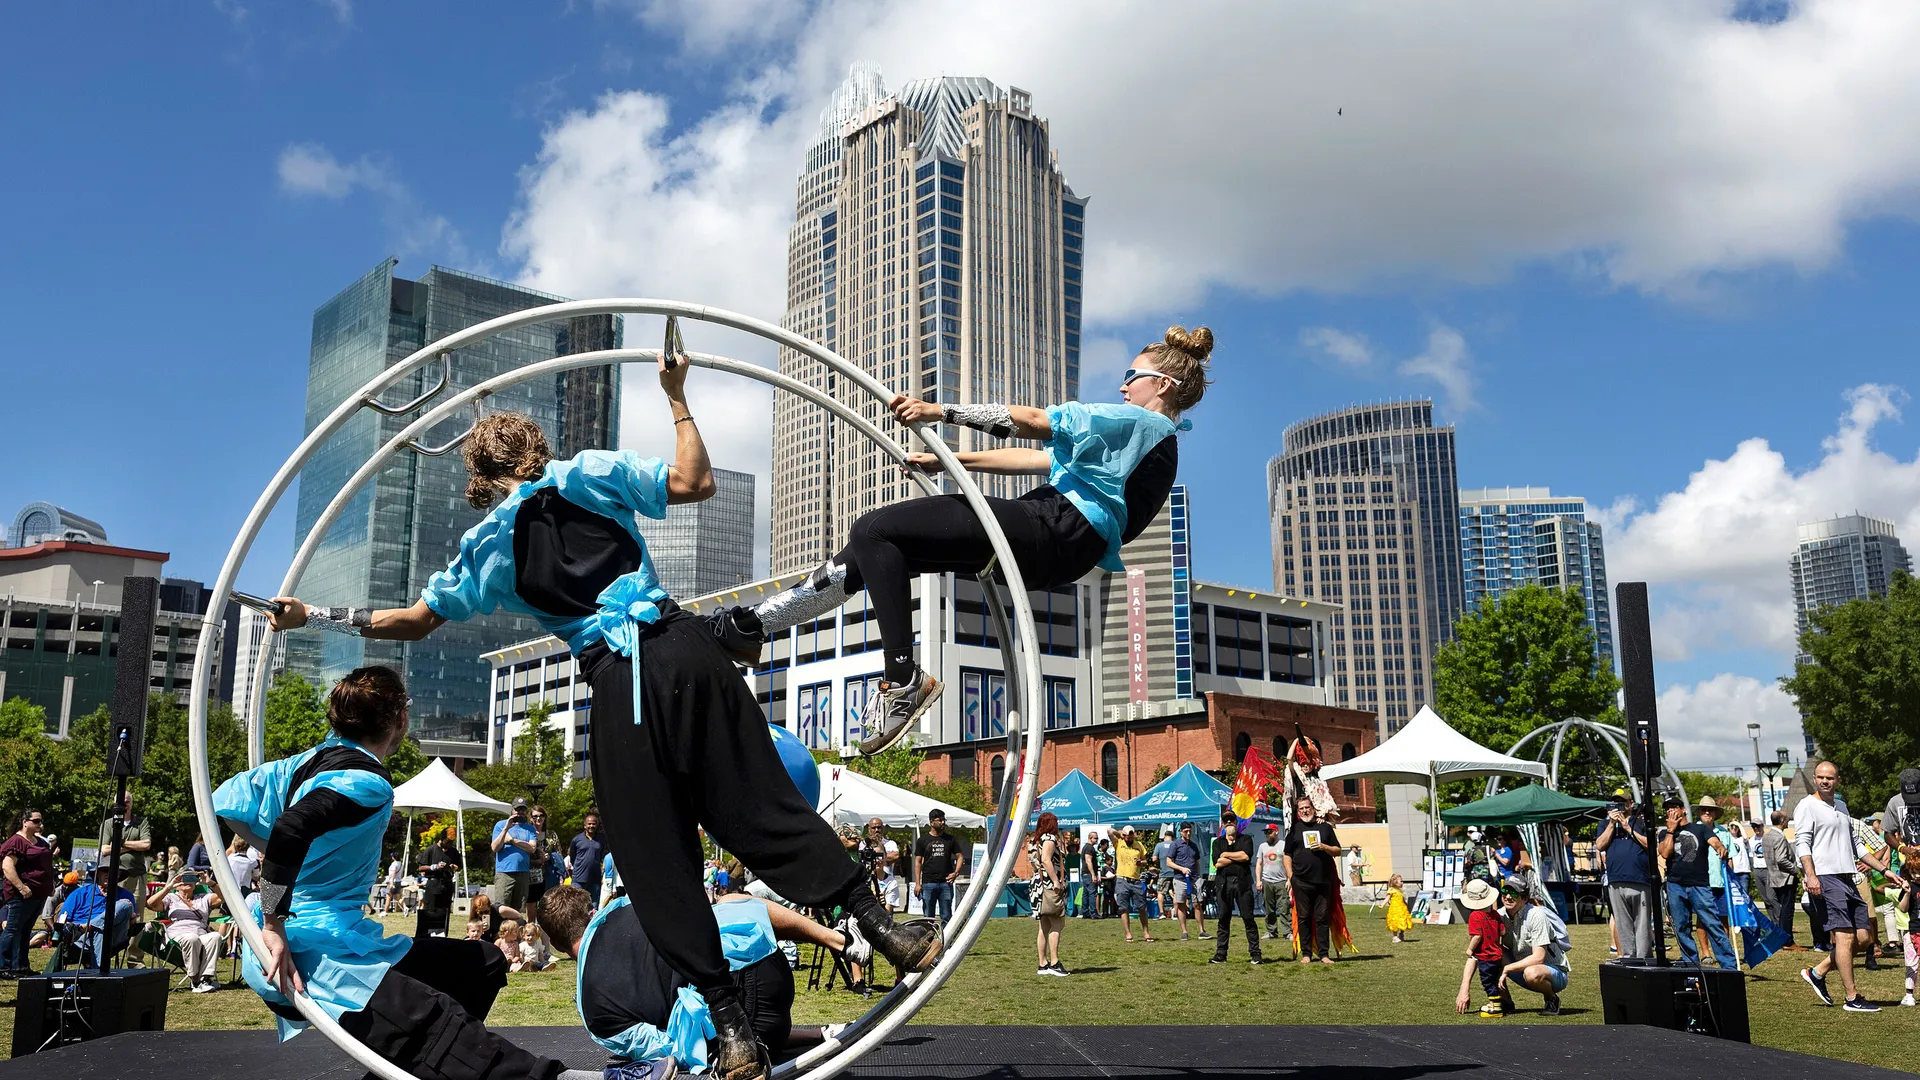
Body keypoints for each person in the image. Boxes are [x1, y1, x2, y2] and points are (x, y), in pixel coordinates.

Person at [267, 354, 941, 1080]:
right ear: (533, 449)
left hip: (618, 686)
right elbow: (696, 482)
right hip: (682, 651)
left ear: (481, 475)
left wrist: (317, 615)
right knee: (758, 800)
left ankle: (731, 1029)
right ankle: (881, 925)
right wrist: (677, 397)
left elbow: (409, 620)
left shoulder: (486, 548)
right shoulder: (588, 472)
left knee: (654, 857)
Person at [727, 327, 1215, 754]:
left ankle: (901, 680)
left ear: (1163, 385)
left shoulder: (1144, 422)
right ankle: (754, 626)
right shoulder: (1145, 443)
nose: (1124, 384)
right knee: (867, 553)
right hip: (1059, 544)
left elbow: (1036, 421)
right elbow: (1039, 461)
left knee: (873, 528)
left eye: (1133, 374)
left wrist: (942, 410)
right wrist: (951, 464)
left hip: (1054, 527)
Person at [214, 666, 595, 1080]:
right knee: (436, 1022)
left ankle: (418, 1062)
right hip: (316, 951)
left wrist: (289, 856)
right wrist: (273, 923)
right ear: (400, 718)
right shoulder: (365, 782)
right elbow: (291, 829)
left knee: (480, 962)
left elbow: (226, 801)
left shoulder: (305, 762)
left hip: (341, 934)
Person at [538, 884, 859, 1075]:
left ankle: (806, 1032)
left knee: (690, 1018)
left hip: (755, 1033)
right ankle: (837, 939)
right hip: (764, 954)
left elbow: (672, 1050)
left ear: (554, 942)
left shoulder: (592, 1013)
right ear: (591, 911)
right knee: (729, 902)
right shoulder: (622, 907)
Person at [1795, 760, 1889, 1011]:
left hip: (1848, 878)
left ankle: (1819, 971)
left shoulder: (1841, 806)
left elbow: (1856, 845)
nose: (1825, 781)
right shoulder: (1807, 806)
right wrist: (1811, 875)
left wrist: (1885, 870)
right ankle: (1852, 998)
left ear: (1837, 780)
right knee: (1845, 937)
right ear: (1814, 779)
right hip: (1825, 877)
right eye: (1821, 777)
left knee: (1864, 937)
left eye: (1831, 778)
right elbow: (1801, 842)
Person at [1658, 795, 1737, 969]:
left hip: (1699, 885)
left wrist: (1720, 848)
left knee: (1712, 923)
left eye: (1675, 807)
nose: (1671, 811)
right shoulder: (1664, 833)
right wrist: (1670, 831)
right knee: (1681, 927)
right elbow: (1665, 853)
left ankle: (1729, 966)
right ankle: (1691, 965)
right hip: (1675, 885)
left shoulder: (1699, 829)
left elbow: (1715, 841)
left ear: (1683, 809)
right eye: (1667, 808)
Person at [1497, 877, 1569, 1016]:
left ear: (1524, 899)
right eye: (1505, 891)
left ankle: (1551, 999)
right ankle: (1505, 1003)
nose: (1507, 896)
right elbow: (1478, 952)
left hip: (1552, 973)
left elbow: (1538, 958)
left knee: (1532, 972)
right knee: (1491, 955)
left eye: (1513, 893)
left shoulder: (1536, 915)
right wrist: (1464, 989)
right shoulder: (1500, 915)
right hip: (1521, 969)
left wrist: (1507, 968)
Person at [1596, 794, 1654, 959]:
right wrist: (1612, 824)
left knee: (1642, 923)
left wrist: (1627, 826)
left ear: (1630, 803)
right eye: (1616, 803)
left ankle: (1644, 958)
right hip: (1616, 879)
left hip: (1640, 878)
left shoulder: (1641, 822)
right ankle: (1628, 957)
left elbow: (1649, 844)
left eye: (1622, 802)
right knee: (1622, 923)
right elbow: (1600, 845)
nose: (1619, 806)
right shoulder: (1605, 823)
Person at [1286, 795, 1342, 964]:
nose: (1304, 810)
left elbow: (1338, 850)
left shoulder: (1325, 828)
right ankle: (1306, 954)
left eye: (1307, 807)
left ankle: (1324, 954)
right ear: (1298, 811)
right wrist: (1291, 876)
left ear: (1313, 809)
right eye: (1301, 808)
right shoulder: (1294, 829)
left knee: (1322, 917)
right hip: (1301, 881)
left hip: (1323, 880)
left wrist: (1324, 847)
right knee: (1303, 918)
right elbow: (1287, 855)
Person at [147, 870, 224, 992]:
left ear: (196, 883)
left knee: (215, 936)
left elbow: (225, 898)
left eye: (191, 878)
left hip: (201, 934)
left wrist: (211, 884)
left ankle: (205, 978)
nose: (187, 881)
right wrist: (168, 887)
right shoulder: (170, 898)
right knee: (191, 938)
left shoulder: (203, 898)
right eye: (183, 878)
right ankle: (195, 980)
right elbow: (151, 904)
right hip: (177, 936)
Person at [1, 807, 54, 977]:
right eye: (36, 821)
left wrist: (50, 884)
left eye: (41, 821)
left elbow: (46, 866)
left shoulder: (41, 842)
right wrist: (21, 887)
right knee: (12, 930)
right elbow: (7, 866)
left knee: (25, 930)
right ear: (25, 822)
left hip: (39, 894)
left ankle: (21, 966)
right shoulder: (16, 841)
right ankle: (3, 967)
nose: (40, 824)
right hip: (21, 895)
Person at [98, 791, 152, 956]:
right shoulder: (108, 824)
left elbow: (146, 844)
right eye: (121, 802)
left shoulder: (141, 822)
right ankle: (108, 954)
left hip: (137, 876)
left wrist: (120, 843)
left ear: (131, 803)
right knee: (111, 913)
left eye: (127, 801)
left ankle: (135, 959)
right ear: (114, 805)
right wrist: (132, 845)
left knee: (137, 916)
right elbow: (105, 849)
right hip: (115, 877)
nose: (124, 804)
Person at [55, 865, 135, 969]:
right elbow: (62, 920)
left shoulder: (126, 895)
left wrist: (131, 913)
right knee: (101, 930)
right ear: (98, 874)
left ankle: (85, 927)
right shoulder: (80, 893)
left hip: (113, 936)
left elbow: (132, 924)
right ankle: (99, 977)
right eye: (105, 871)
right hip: (80, 938)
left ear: (118, 875)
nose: (109, 874)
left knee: (125, 905)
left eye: (114, 871)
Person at [1455, 879, 1513, 1017]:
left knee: (1488, 982)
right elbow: (1503, 932)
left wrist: (1470, 949)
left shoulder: (1475, 916)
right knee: (1495, 979)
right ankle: (1504, 1003)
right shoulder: (1495, 914)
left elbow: (1477, 936)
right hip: (1497, 955)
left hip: (1485, 956)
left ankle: (1495, 1007)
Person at [1208, 815, 1262, 964]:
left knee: (1248, 918)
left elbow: (1245, 857)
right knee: (1223, 919)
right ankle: (1221, 954)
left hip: (1242, 883)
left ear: (1237, 823)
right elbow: (1217, 863)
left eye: (1232, 820)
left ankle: (1255, 953)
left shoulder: (1245, 840)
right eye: (1226, 821)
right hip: (1224, 884)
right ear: (1223, 824)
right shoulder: (1218, 842)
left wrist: (1225, 855)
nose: (1229, 823)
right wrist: (1233, 856)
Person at [1026, 811, 1070, 976]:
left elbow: (1036, 861)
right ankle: (1054, 962)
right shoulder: (1049, 839)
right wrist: (1056, 881)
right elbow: (1046, 860)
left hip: (1037, 883)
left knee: (1044, 925)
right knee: (1057, 923)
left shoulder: (1033, 840)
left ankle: (1042, 963)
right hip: (1050, 884)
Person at [913, 809, 964, 925]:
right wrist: (917, 883)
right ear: (931, 822)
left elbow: (960, 856)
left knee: (946, 915)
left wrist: (956, 873)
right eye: (939, 820)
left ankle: (945, 940)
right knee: (928, 916)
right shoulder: (923, 840)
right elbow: (918, 862)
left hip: (946, 883)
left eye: (943, 820)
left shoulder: (950, 839)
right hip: (928, 883)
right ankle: (929, 941)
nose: (942, 823)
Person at [491, 799, 539, 911]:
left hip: (523, 873)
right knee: (501, 908)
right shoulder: (500, 825)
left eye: (522, 809)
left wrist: (512, 840)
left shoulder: (530, 828)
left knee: (518, 909)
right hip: (504, 873)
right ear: (512, 810)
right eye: (517, 809)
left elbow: (531, 848)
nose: (519, 812)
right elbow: (495, 848)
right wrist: (506, 829)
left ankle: (516, 929)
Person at [1761, 810, 1800, 945]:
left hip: (1774, 877)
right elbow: (1781, 859)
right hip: (1785, 878)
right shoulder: (1779, 837)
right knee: (1787, 911)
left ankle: (1782, 939)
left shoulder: (1766, 836)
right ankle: (1787, 941)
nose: (1789, 821)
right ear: (1782, 821)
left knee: (1782, 910)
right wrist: (1795, 869)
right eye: (1787, 819)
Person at [1112, 825, 1155, 943]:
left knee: (1142, 907)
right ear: (1124, 836)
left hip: (1136, 880)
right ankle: (1128, 934)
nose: (1129, 839)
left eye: (1131, 836)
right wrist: (1120, 833)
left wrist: (1142, 863)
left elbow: (1146, 860)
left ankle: (1146, 932)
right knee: (1123, 908)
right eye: (1127, 836)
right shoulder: (1119, 843)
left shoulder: (1139, 845)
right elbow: (1109, 831)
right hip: (1122, 879)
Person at [417, 826, 458, 938]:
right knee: (430, 912)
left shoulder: (453, 851)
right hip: (433, 884)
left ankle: (443, 936)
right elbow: (421, 868)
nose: (449, 844)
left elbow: (459, 866)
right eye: (447, 842)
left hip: (447, 884)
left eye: (451, 842)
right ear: (442, 838)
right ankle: (427, 937)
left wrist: (454, 867)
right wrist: (434, 867)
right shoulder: (431, 850)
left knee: (445, 913)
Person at [1253, 822, 1290, 943]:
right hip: (1267, 881)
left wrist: (1289, 879)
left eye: (1270, 832)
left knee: (1284, 907)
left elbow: (1289, 863)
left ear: (1276, 832)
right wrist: (1258, 880)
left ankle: (1287, 932)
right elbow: (1259, 864)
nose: (1268, 835)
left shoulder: (1284, 845)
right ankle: (1271, 931)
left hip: (1281, 881)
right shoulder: (1262, 846)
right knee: (1269, 909)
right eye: (1266, 833)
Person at [1169, 823, 1204, 941]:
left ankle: (1201, 931)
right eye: (1186, 831)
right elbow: (1169, 862)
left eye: (1190, 831)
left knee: (1197, 904)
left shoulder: (1194, 845)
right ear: (1180, 832)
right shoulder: (1175, 845)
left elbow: (1197, 861)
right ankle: (1184, 932)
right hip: (1180, 879)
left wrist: (1198, 876)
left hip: (1194, 879)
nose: (1188, 833)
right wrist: (1181, 869)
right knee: (1181, 904)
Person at [570, 812, 606, 909]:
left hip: (595, 879)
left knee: (593, 907)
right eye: (589, 824)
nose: (591, 825)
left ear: (596, 825)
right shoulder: (576, 840)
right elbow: (572, 858)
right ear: (585, 826)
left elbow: (600, 856)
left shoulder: (601, 841)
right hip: (578, 879)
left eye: (593, 824)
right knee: (576, 906)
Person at [527, 805, 561, 909]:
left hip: (549, 875)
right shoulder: (527, 833)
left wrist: (549, 857)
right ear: (530, 818)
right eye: (535, 816)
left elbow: (559, 853)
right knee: (531, 907)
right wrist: (537, 861)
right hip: (531, 874)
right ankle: (531, 926)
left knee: (548, 906)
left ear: (545, 817)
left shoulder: (551, 834)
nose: (538, 818)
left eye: (541, 815)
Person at [1385, 874, 1414, 944]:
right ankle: (1395, 937)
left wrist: (1406, 904)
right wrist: (1382, 904)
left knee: (1403, 921)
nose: (1402, 883)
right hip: (1395, 909)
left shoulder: (1400, 891)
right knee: (1394, 923)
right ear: (1395, 882)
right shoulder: (1391, 890)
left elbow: (1402, 899)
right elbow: (1387, 898)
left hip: (1402, 909)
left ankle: (1401, 934)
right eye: (1401, 881)